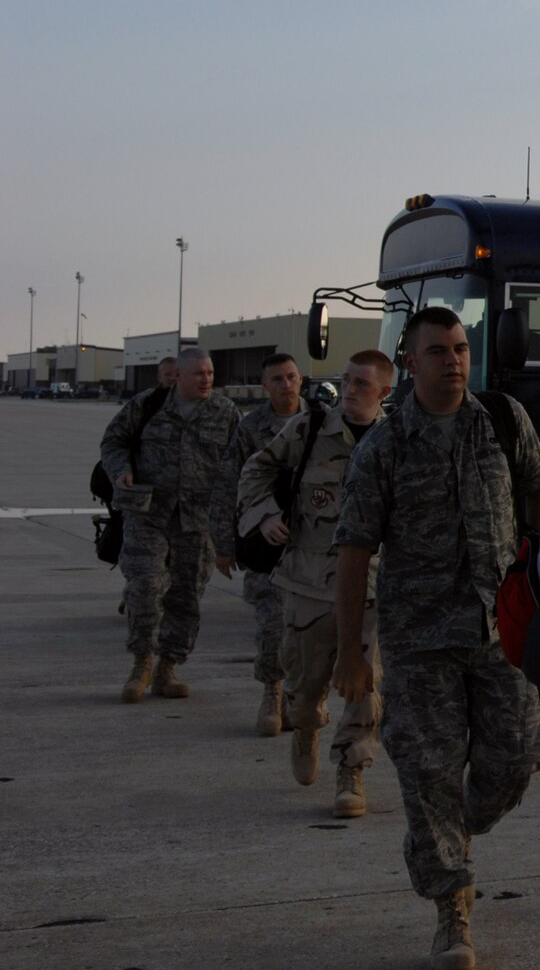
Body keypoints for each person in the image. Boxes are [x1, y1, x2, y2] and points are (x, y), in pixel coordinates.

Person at [331, 308, 540, 970]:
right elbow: (354, 551)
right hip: (419, 639)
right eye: (438, 351)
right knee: (428, 772)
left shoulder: (504, 419)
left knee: (516, 760)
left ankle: (450, 829)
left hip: (501, 630)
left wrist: (536, 568)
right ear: (410, 363)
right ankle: (452, 907)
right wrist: (351, 653)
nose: (454, 360)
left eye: (460, 348)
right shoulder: (384, 447)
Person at [238, 350, 393, 817]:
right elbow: (256, 470)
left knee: (366, 685)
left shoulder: (396, 440)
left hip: (371, 585)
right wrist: (265, 515)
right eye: (346, 380)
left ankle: (351, 771)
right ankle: (306, 728)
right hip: (309, 581)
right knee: (304, 686)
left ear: (384, 391)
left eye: (361, 384)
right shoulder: (308, 429)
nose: (349, 390)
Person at [99, 346, 241, 702]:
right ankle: (141, 664)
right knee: (145, 587)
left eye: (210, 373)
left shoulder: (225, 412)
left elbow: (240, 463)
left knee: (186, 598)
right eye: (198, 374)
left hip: (197, 520)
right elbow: (113, 440)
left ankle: (167, 669)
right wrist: (121, 470)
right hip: (149, 514)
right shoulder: (149, 405)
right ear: (178, 376)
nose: (206, 380)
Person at [211, 352, 308, 736]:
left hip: (314, 542)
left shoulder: (323, 421)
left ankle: (298, 699)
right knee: (272, 623)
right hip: (266, 541)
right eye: (278, 379)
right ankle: (272, 693)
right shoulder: (251, 428)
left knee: (310, 631)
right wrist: (224, 544)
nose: (286, 385)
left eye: (292, 377)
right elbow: (229, 484)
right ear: (265, 385)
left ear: (301, 379)